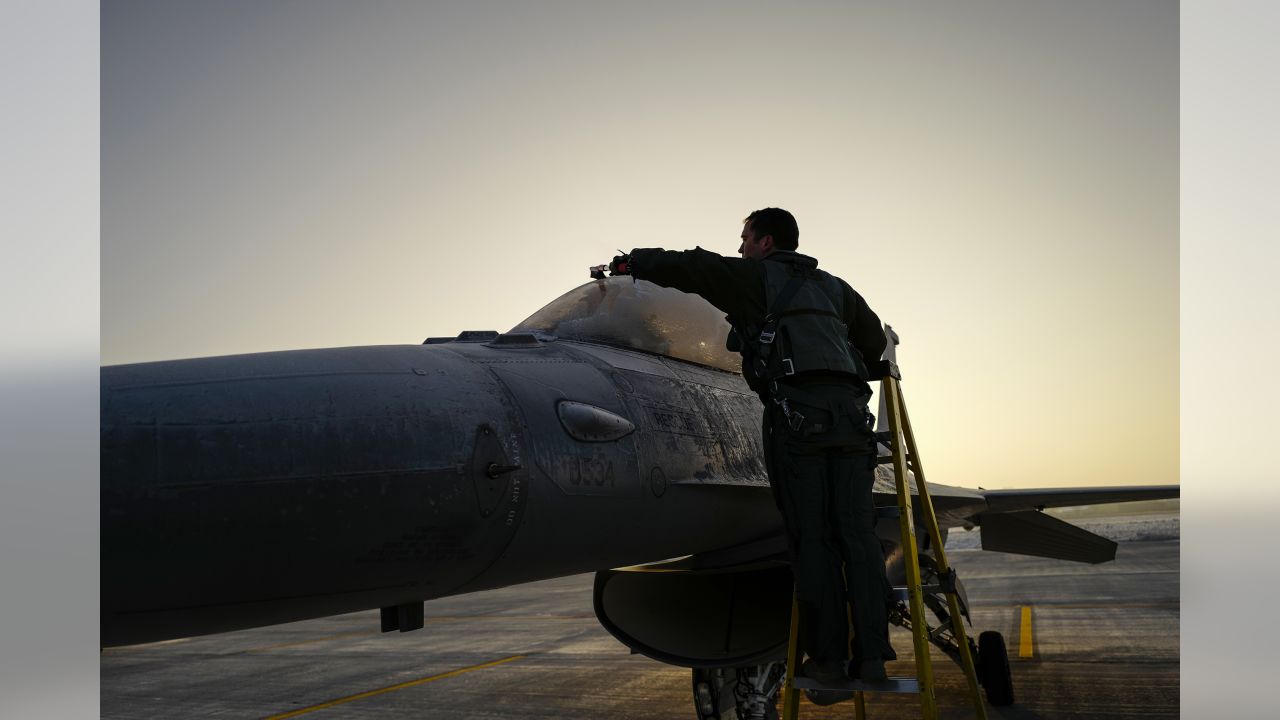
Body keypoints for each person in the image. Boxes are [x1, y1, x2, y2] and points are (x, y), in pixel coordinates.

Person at [609, 207, 895, 684]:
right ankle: (871, 658)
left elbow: (694, 268)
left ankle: (828, 661)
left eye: (745, 238)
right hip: (851, 424)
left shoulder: (753, 279)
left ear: (765, 243)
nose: (740, 247)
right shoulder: (836, 289)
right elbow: (871, 342)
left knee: (812, 541)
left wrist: (632, 262)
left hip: (798, 424)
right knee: (859, 538)